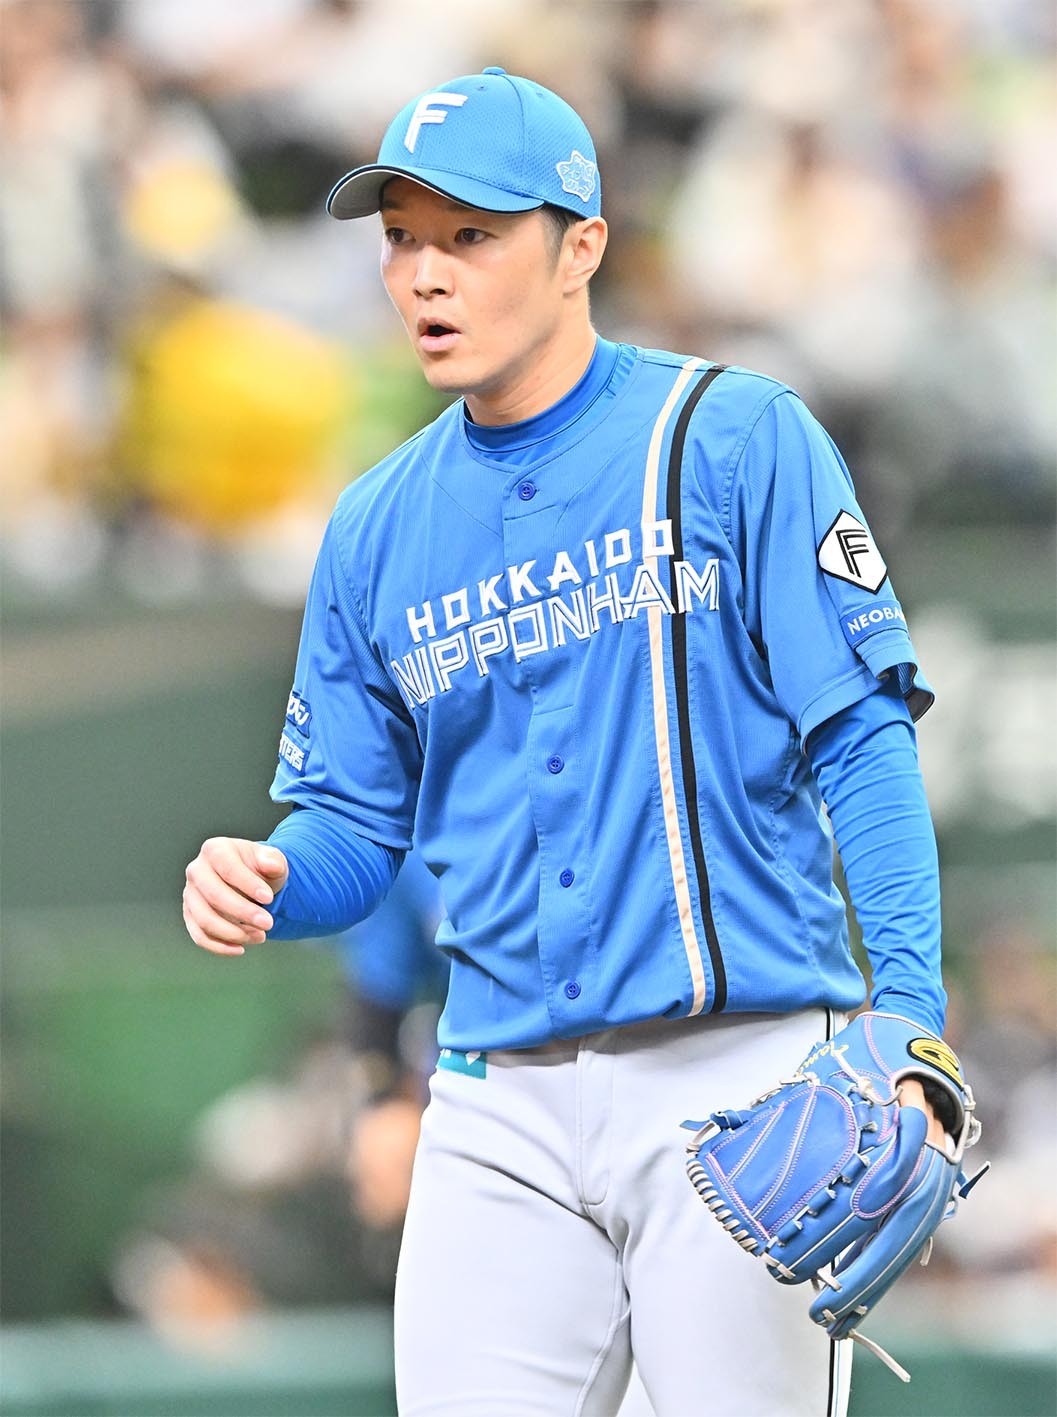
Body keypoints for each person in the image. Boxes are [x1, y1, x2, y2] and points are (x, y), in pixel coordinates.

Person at [183, 68, 954, 1417]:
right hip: (496, 1099)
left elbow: (861, 736)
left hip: (739, 1068)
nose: (426, 274)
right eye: (402, 239)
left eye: (471, 236)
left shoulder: (731, 438)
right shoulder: (374, 525)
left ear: (580, 246)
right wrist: (275, 878)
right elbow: (356, 827)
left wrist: (910, 1019)